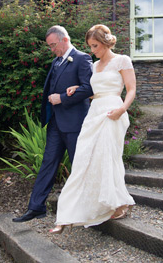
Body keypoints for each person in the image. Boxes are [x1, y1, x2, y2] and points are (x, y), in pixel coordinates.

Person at [49, 24, 136, 233]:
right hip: (95, 112)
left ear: (106, 42)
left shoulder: (122, 61)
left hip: (113, 111)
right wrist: (76, 89)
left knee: (109, 156)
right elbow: (93, 91)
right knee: (85, 158)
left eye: (95, 45)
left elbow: (131, 89)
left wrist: (122, 109)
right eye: (90, 46)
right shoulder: (95, 66)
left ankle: (119, 202)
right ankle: (74, 210)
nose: (92, 50)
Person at [12, 25, 93, 223]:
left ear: (65, 39)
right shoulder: (56, 62)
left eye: (53, 45)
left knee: (80, 166)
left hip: (75, 124)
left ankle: (89, 208)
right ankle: (36, 207)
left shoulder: (82, 58)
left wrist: (62, 98)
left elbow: (90, 88)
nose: (51, 49)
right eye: (49, 46)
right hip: (56, 123)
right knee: (48, 163)